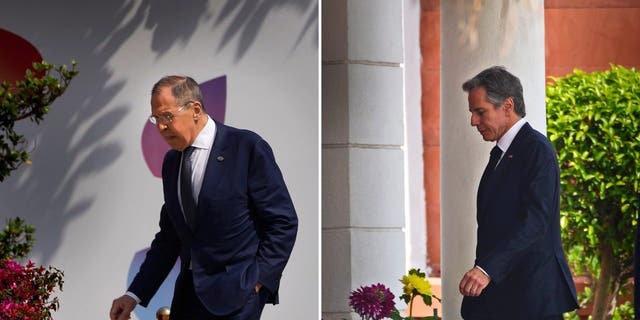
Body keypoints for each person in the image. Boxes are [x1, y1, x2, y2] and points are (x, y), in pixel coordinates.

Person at [110, 75, 298, 320]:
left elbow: (283, 222)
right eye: (156, 118)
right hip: (189, 298)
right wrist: (134, 294)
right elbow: (170, 238)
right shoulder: (171, 162)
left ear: (195, 109)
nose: (160, 127)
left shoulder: (246, 147)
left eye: (167, 116)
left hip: (238, 296)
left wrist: (258, 282)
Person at [457, 66, 578, 319]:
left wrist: (486, 269)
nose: (473, 121)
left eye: (480, 112)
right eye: (472, 113)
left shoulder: (536, 150)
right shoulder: (503, 152)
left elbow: (536, 222)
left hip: (531, 298)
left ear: (507, 106)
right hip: (504, 298)